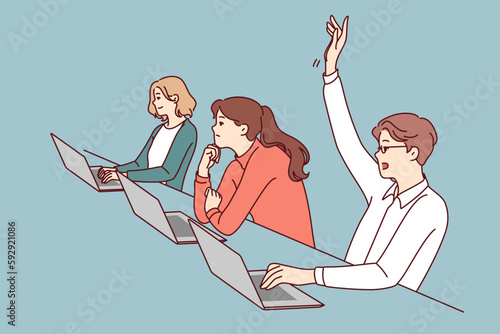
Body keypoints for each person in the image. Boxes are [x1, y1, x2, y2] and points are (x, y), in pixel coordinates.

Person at [261, 14, 448, 292]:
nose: (378, 155)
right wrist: (330, 72)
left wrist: (307, 276)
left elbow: (384, 276)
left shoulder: (431, 208)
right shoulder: (382, 189)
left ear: (411, 152)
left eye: (385, 148)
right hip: (343, 295)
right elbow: (346, 141)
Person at [194, 96, 315, 247]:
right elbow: (204, 217)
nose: (214, 128)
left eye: (221, 123)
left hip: (294, 255)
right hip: (270, 247)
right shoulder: (236, 167)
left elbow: (226, 225)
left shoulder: (267, 159)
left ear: (243, 129)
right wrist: (203, 172)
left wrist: (212, 208)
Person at [98, 76, 197, 191]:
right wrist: (115, 170)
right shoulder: (158, 129)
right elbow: (140, 164)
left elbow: (167, 172)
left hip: (165, 193)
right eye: (154, 98)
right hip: (145, 188)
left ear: (174, 98)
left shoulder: (187, 131)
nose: (154, 102)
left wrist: (123, 176)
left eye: (158, 97)